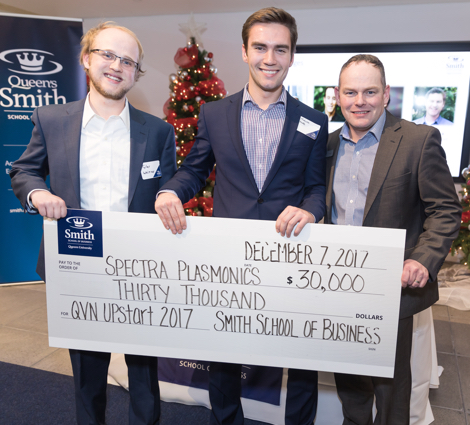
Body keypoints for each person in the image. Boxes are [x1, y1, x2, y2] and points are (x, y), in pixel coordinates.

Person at [155, 7, 327, 425]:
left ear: (292, 56)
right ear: (246, 53)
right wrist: (168, 192)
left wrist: (310, 209)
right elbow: (195, 170)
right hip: (231, 259)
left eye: (280, 49)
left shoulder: (314, 119)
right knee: (226, 356)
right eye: (261, 47)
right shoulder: (215, 113)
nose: (271, 58)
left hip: (290, 254)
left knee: (301, 356)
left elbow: (317, 187)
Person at [10, 22, 176, 425]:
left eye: (128, 60)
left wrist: (167, 194)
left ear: (137, 73)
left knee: (142, 370)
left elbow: (169, 183)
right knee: (87, 372)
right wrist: (38, 194)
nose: (117, 66)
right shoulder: (51, 119)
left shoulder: (157, 131)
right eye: (107, 54)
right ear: (86, 58)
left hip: (139, 267)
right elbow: (24, 171)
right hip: (77, 262)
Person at [325, 54, 461, 425]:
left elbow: (445, 211)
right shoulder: (326, 146)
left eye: (370, 91)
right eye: (351, 92)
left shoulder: (418, 140)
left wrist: (423, 259)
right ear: (337, 96)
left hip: (391, 286)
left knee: (390, 386)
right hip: (337, 286)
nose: (360, 101)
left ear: (386, 94)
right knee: (349, 380)